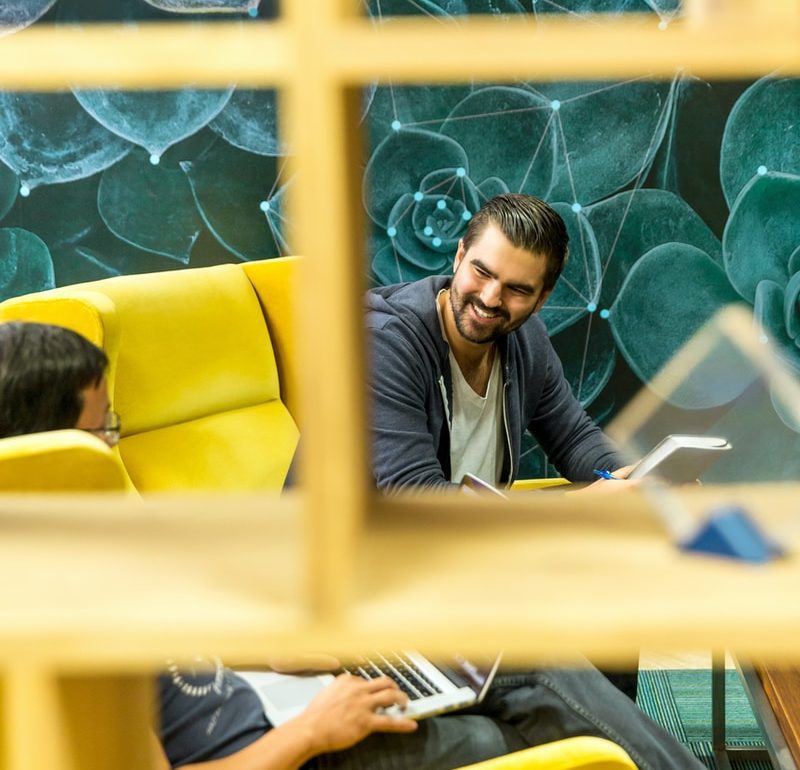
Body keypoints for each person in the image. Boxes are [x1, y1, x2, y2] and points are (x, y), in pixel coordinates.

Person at [0, 321, 705, 770]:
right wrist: (312, 732)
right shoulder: (40, 613)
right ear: (39, 448)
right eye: (101, 431)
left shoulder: (77, 550)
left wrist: (283, 645)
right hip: (290, 747)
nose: (113, 444)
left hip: (287, 697)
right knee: (520, 704)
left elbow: (173, 656)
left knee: (506, 669)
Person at [367, 193, 626, 492]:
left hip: (472, 533)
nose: (490, 298)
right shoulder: (384, 344)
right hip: (364, 535)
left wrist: (631, 477)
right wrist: (571, 508)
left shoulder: (527, 339)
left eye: (516, 289)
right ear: (459, 256)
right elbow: (414, 493)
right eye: (482, 272)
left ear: (542, 298)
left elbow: (574, 439)